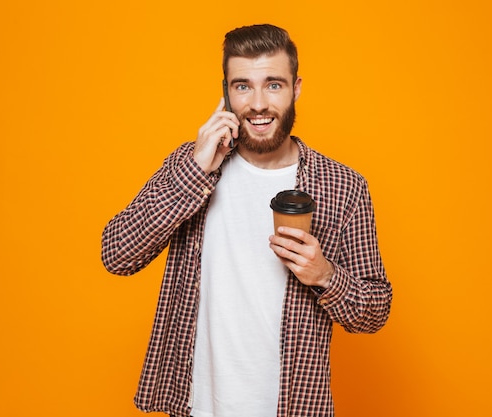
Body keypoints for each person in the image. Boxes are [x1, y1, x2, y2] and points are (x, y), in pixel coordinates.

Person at [101, 23, 392, 417]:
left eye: (273, 84)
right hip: (198, 407)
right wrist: (196, 170)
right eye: (242, 86)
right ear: (225, 92)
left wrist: (324, 275)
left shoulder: (341, 187)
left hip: (293, 407)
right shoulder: (193, 165)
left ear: (296, 88)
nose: (258, 103)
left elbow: (374, 311)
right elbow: (117, 254)